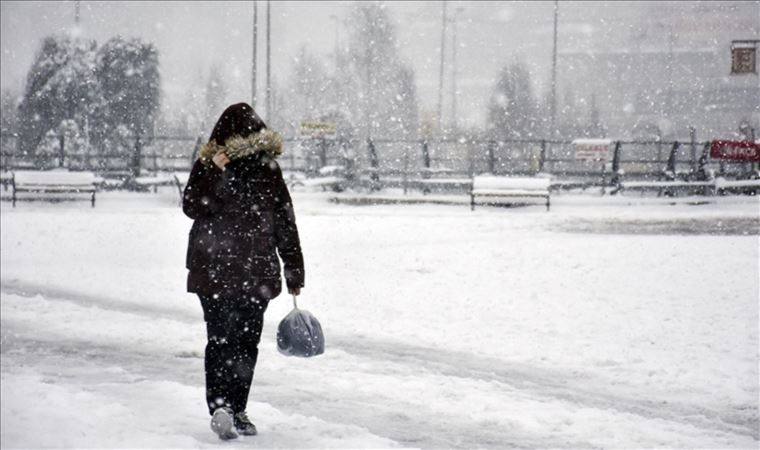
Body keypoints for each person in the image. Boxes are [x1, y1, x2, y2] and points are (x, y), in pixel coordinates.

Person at [182, 102, 304, 440]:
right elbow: (194, 207)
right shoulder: (220, 165)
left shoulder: (260, 168)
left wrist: (294, 267)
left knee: (224, 341)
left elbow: (282, 218)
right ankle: (231, 408)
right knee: (243, 343)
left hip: (224, 270)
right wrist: (293, 267)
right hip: (245, 270)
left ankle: (227, 406)